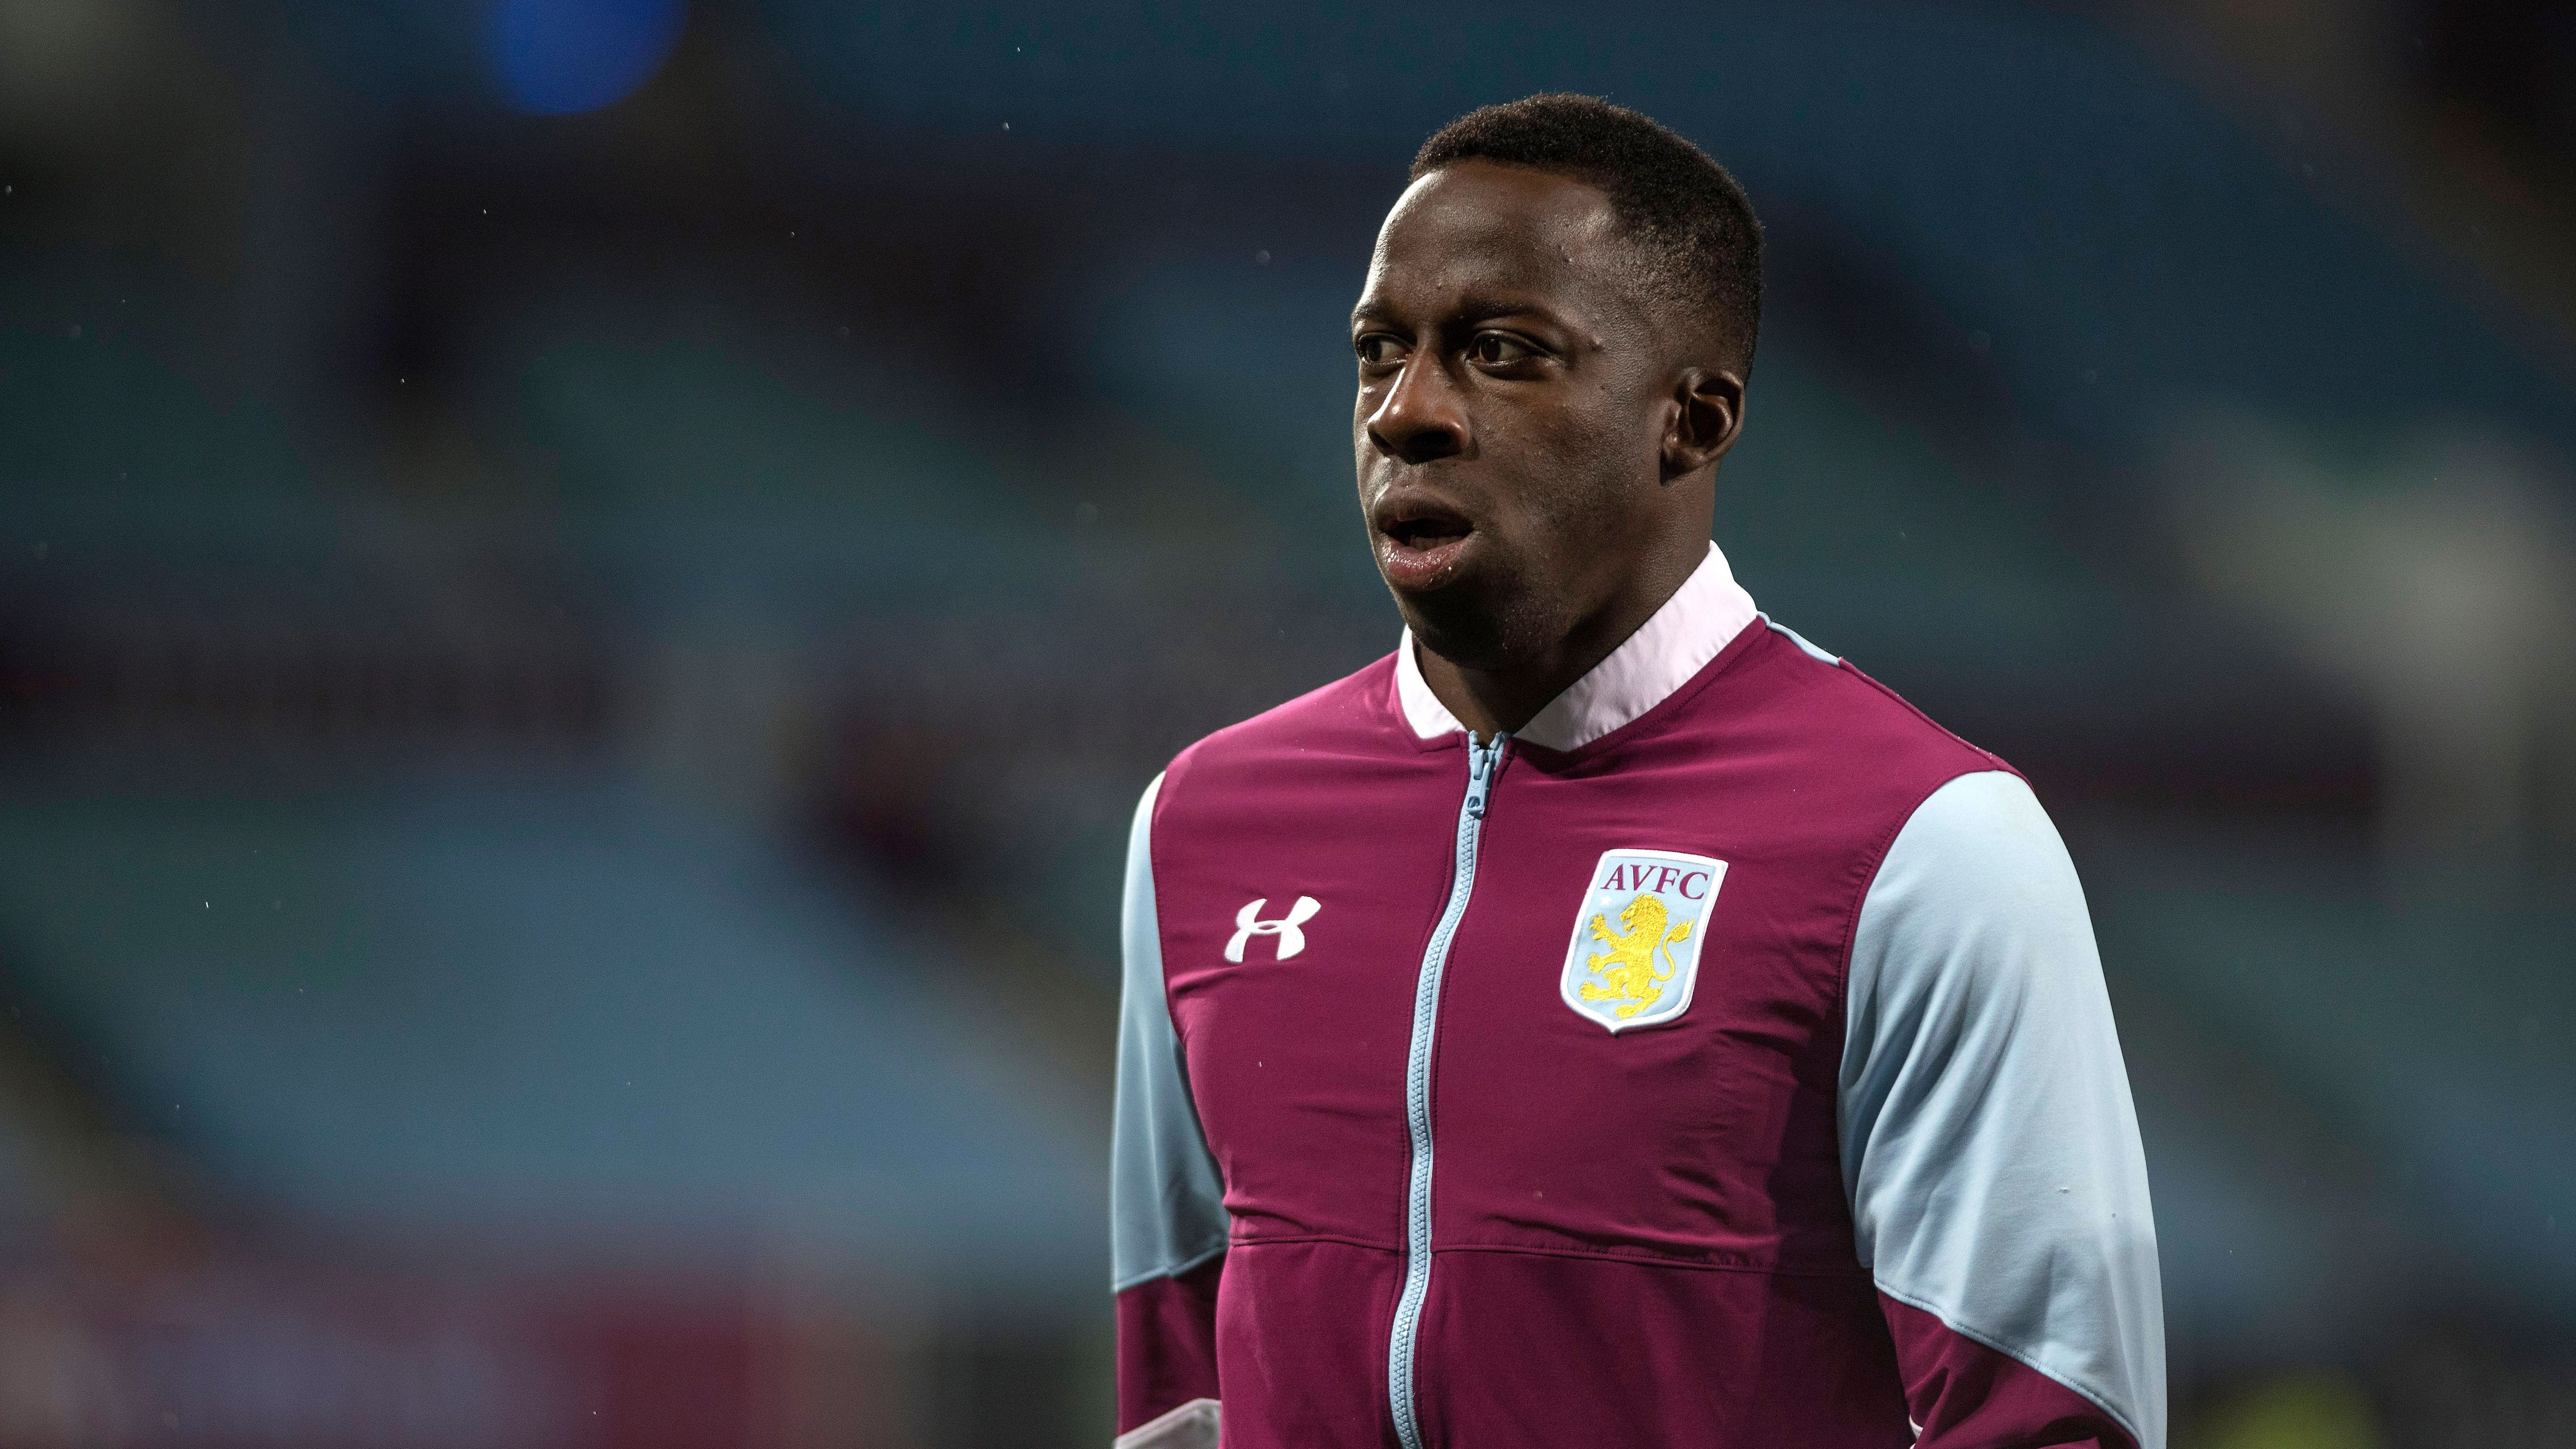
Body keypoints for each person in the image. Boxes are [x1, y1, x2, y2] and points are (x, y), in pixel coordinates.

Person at [1111, 93, 2162, 1449]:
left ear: (1693, 419)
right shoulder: (1203, 824)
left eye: (1500, 351)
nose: (1405, 413)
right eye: (1378, 352)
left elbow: (2049, 1422)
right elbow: (1179, 1393)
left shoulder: (1927, 844)